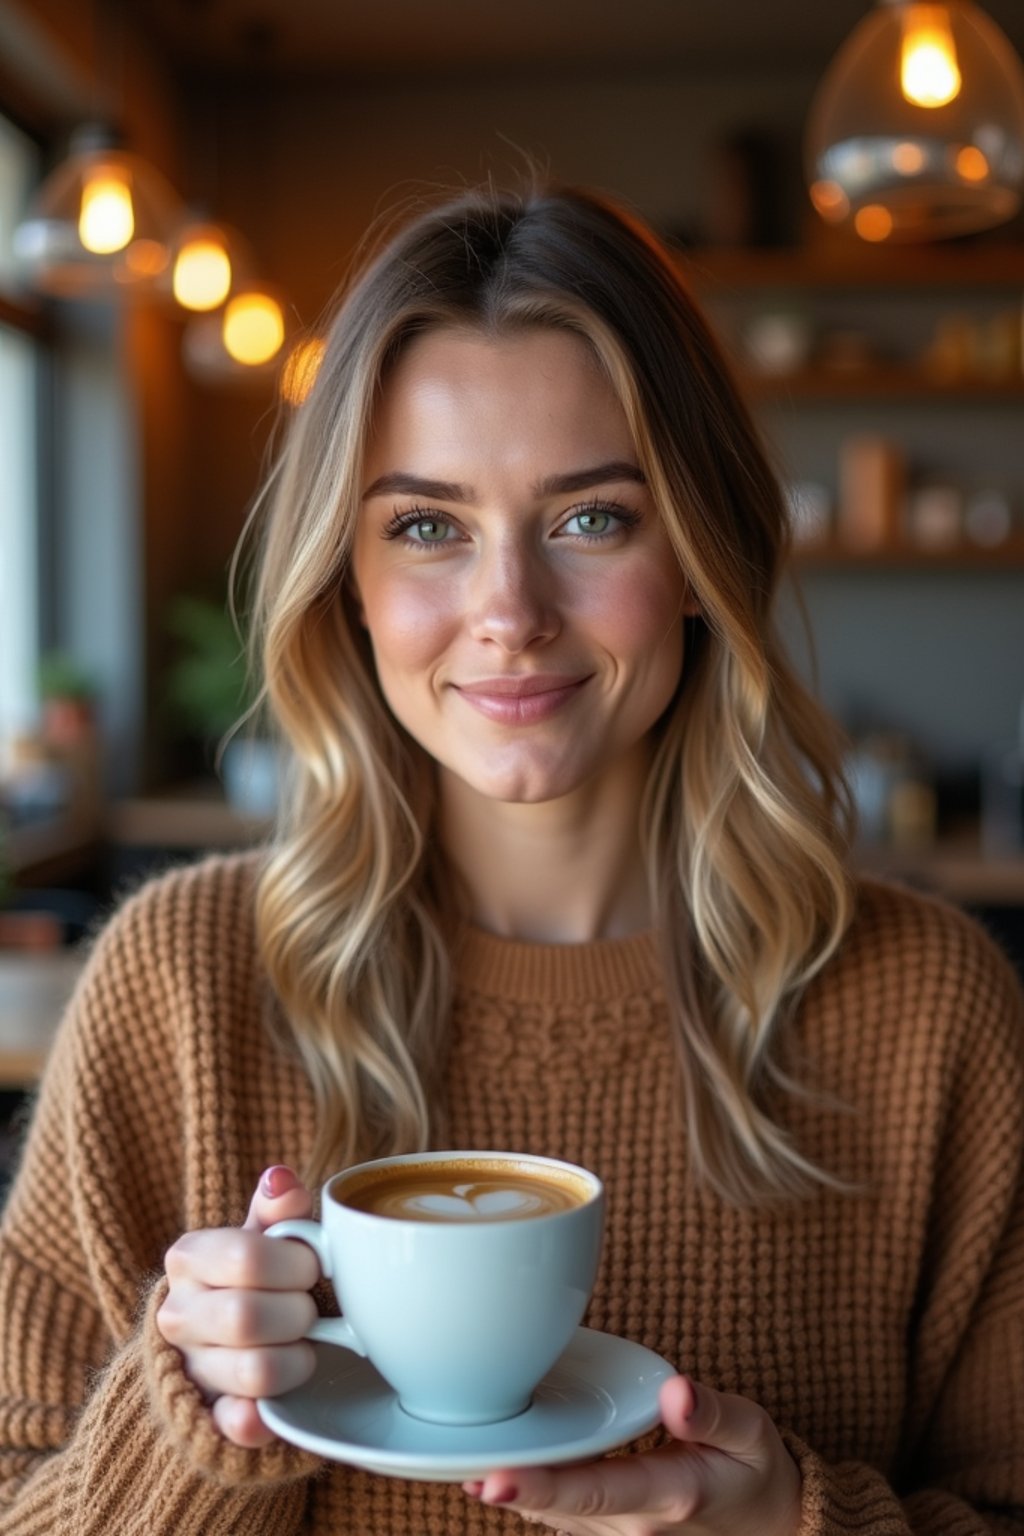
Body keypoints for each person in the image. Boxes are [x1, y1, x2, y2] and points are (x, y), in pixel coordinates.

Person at [0, 180, 1021, 1536]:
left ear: (704, 553)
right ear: (348, 584)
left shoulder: (930, 1014)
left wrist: (794, 1523)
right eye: (427, 525)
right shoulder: (179, 988)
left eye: (593, 517)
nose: (509, 614)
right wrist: (187, 1421)